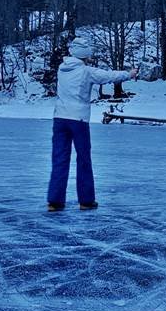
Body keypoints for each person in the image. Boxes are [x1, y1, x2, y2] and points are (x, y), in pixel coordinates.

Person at [47, 37, 138, 212]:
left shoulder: (62, 69)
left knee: (59, 159)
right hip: (79, 120)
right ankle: (86, 200)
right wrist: (129, 74)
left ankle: (55, 201)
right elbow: (108, 76)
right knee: (83, 160)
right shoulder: (86, 72)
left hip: (59, 119)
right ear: (85, 54)